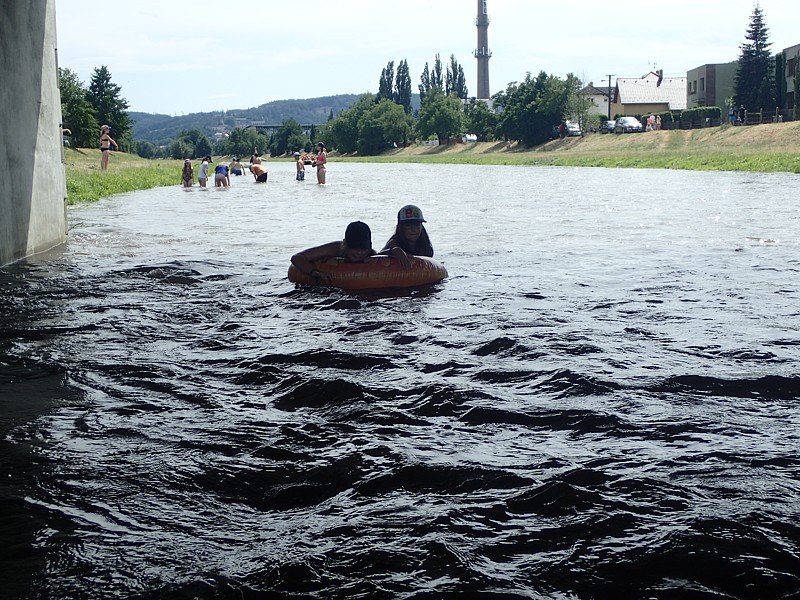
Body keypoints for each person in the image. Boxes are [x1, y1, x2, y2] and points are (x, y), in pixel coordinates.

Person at [291, 221, 375, 284]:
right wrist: (314, 272)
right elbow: (297, 258)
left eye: (363, 249)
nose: (359, 253)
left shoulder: (371, 254)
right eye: (355, 248)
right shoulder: (334, 249)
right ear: (345, 244)